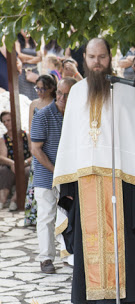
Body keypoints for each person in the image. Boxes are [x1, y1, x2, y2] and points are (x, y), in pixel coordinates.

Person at [53, 38, 135, 304]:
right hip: (85, 182)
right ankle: (89, 294)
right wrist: (68, 188)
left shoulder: (127, 93)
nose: (97, 62)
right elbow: (70, 143)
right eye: (92, 57)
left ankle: (126, 292)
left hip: (122, 182)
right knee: (87, 236)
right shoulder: (76, 93)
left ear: (110, 57)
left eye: (102, 57)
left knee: (125, 233)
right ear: (85, 57)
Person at [30, 78, 76, 274]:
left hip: (70, 174)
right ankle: (46, 258)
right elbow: (36, 150)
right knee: (47, 216)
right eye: (59, 93)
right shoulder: (42, 116)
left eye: (67, 94)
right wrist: (56, 170)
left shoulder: (76, 115)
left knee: (70, 215)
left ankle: (69, 254)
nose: (62, 97)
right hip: (46, 174)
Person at [0, 111, 31, 211]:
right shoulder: (4, 139)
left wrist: (23, 164)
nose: (6, 123)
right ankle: (2, 200)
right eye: (4, 121)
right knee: (4, 171)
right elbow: (2, 157)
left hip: (26, 164)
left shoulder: (26, 135)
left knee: (26, 172)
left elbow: (34, 154)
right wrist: (13, 163)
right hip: (11, 165)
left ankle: (15, 200)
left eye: (8, 120)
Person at [15, 30, 41, 100]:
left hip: (34, 71)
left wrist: (26, 60)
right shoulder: (17, 41)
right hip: (22, 72)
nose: (27, 31)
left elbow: (40, 57)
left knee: (37, 94)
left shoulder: (34, 41)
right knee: (24, 96)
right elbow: (19, 55)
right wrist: (34, 58)